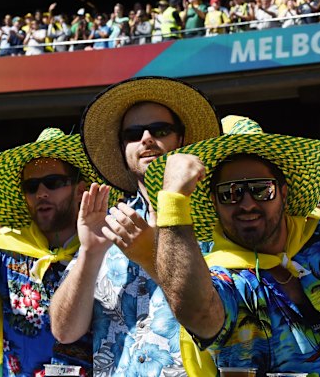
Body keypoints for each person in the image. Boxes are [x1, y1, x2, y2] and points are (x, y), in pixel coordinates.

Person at [144, 119, 320, 375]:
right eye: (230, 193)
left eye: (262, 190)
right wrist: (173, 201)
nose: (247, 204)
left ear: (283, 192)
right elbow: (197, 312)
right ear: (215, 203)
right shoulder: (216, 275)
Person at [49, 76, 221, 376]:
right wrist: (89, 253)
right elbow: (64, 331)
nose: (145, 139)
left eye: (160, 130)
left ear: (180, 140)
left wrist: (150, 252)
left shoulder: (215, 219)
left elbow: (212, 319)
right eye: (132, 134)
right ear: (123, 148)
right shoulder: (110, 221)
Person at [0, 128, 116, 376]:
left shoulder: (111, 252)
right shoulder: (6, 253)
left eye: (53, 182)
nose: (41, 193)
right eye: (31, 186)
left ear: (81, 190)